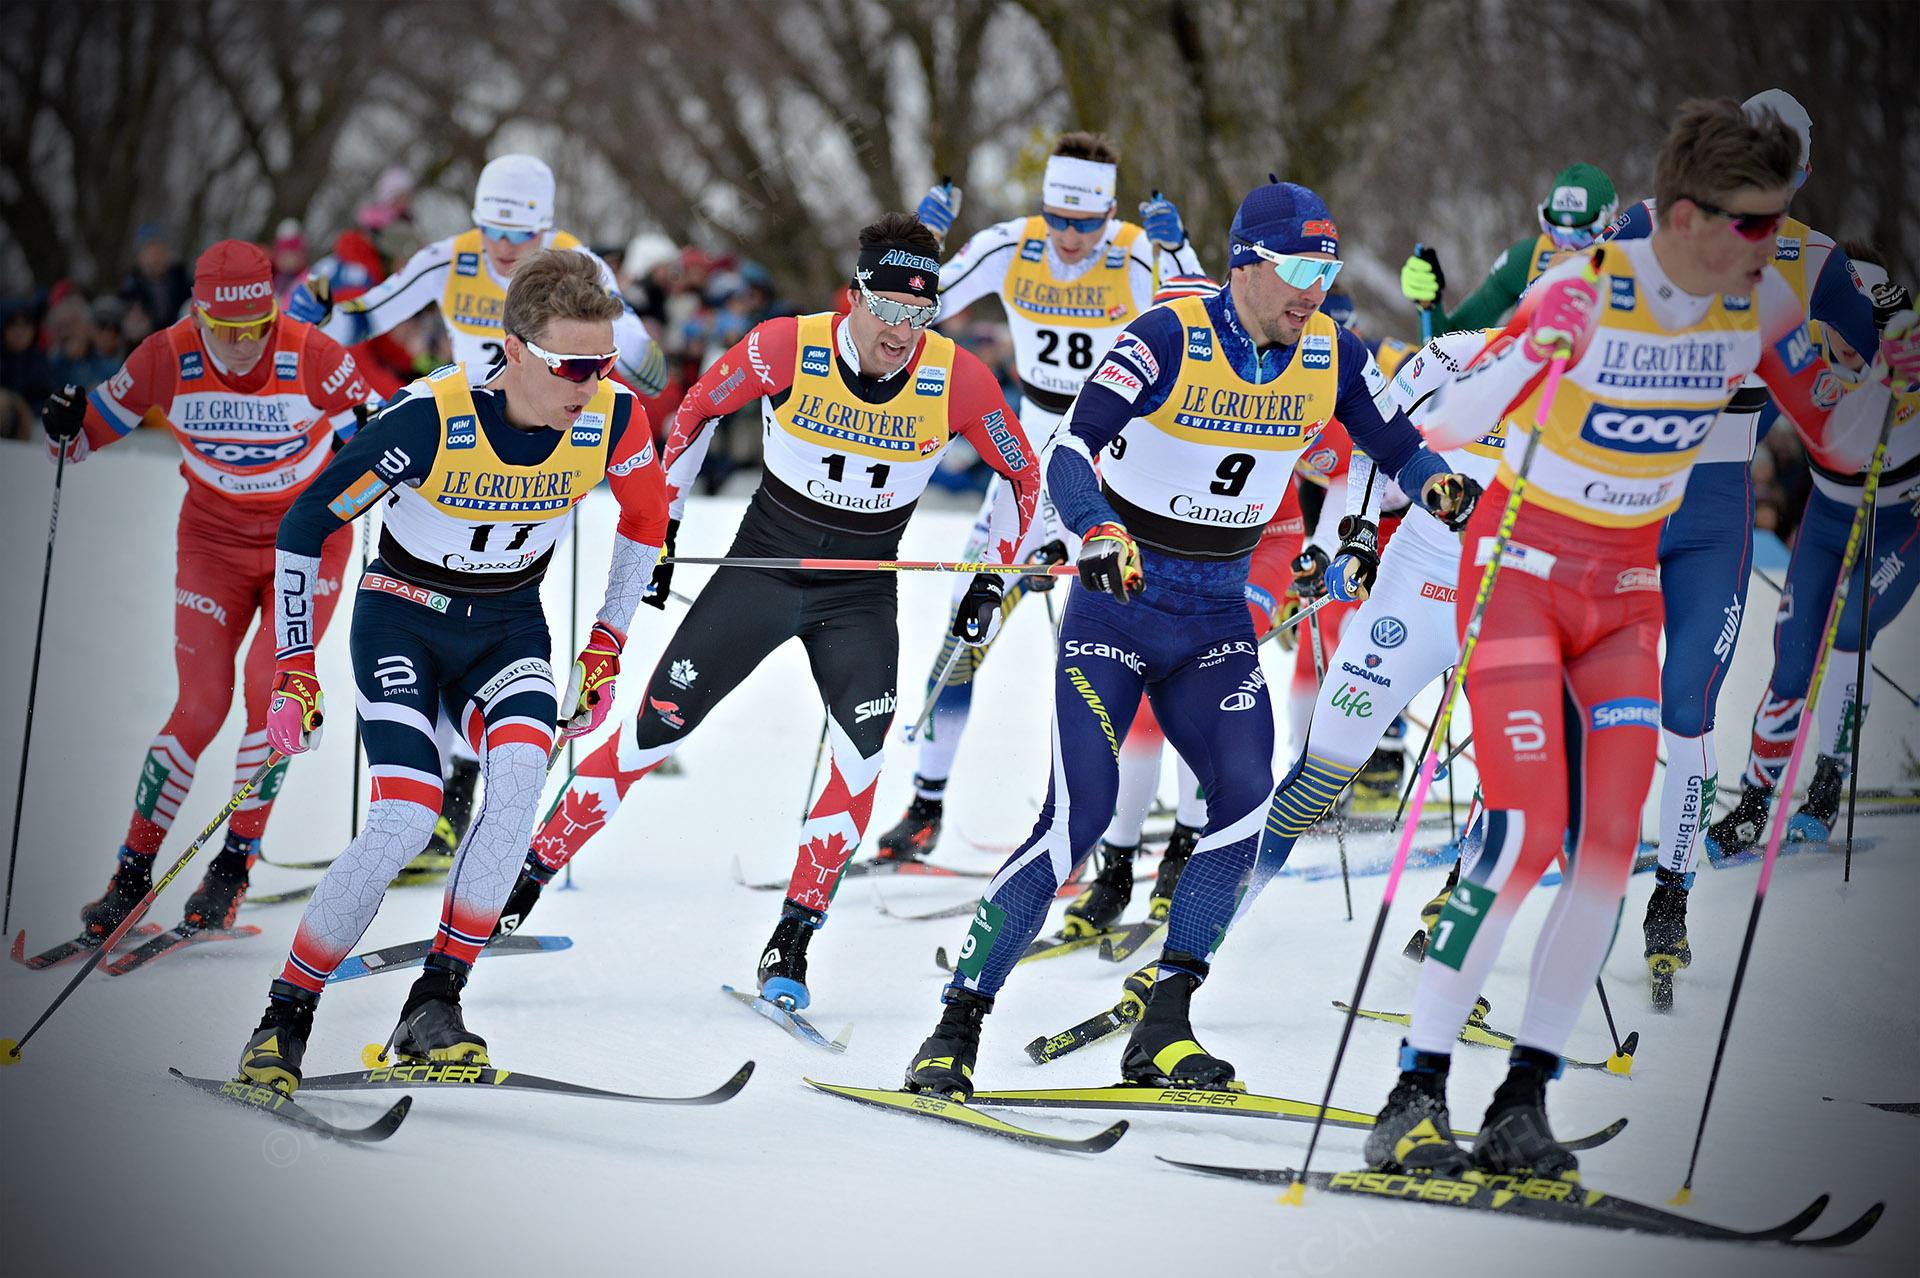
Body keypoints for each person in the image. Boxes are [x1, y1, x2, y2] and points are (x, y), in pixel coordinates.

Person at [1363, 99, 1914, 1181]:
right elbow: (1452, 419)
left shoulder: (1752, 310)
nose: (1770, 252)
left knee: (1608, 854)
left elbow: (1848, 439)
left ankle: (1524, 1099)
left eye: (1779, 228)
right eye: (1753, 228)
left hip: (1624, 594)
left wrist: (1892, 382)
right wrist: (1533, 354)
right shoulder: (1587, 289)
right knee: (1527, 837)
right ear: (1686, 216)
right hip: (1522, 578)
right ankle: (1412, 1094)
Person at [901, 180, 1477, 1099]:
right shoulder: (1166, 336)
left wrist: (1439, 483)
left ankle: (1165, 1025)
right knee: (1075, 824)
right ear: (1244, 261)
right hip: (1122, 602)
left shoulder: (1331, 349)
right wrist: (1093, 528)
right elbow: (1071, 448)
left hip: (1215, 615)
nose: (1312, 287)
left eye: (1325, 269)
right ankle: (954, 1027)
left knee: (1244, 806)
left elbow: (1394, 442)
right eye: (1295, 268)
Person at [496, 213, 1040, 1011]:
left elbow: (1024, 476)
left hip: (859, 592)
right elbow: (691, 416)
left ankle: (793, 940)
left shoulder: (960, 378)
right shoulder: (787, 344)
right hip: (761, 569)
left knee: (861, 756)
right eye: (887, 310)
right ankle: (525, 880)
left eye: (919, 316)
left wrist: (992, 580)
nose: (900, 331)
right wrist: (667, 527)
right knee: (654, 731)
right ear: (854, 295)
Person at [233, 249, 668, 1089]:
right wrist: (294, 666)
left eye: (605, 362)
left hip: (507, 629)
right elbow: (306, 523)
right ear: (512, 351)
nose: (593, 381)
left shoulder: (613, 418)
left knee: (516, 789)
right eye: (573, 365)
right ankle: (283, 1019)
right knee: (405, 817)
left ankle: (435, 1003)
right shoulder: (429, 419)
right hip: (403, 621)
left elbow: (646, 522)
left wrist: (606, 645)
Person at [1587, 91, 1884, 999]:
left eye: (1791, 170)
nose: (1775, 193)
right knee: (1590, 693)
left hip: (1715, 505)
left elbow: (1861, 382)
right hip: (1628, 497)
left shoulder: (1819, 260)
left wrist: (1878, 359)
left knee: (1687, 709)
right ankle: (1491, 865)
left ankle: (1670, 894)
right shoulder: (1647, 221)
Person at [293, 154, 668, 873]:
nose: (503, 246)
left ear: (547, 226)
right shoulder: (448, 259)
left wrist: (628, 359)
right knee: (424, 619)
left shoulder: (575, 269)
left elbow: (640, 362)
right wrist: (312, 323)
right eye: (493, 227)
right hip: (453, 442)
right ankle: (420, 807)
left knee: (497, 633)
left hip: (543, 441)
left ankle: (453, 811)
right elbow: (367, 316)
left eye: (521, 231)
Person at [874, 133, 1208, 901]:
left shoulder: (1135, 253)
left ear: (1112, 216)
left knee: (1119, 650)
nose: (1068, 239)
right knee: (969, 626)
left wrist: (1179, 249)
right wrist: (924, 244)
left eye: (1085, 225)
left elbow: (1207, 321)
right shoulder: (1009, 246)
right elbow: (911, 308)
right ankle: (924, 809)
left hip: (1116, 464)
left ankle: (1101, 824)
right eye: (1058, 217)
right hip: (1027, 464)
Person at [40, 240, 376, 946]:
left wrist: (375, 449)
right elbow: (82, 439)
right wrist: (64, 426)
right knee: (197, 707)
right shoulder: (166, 354)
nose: (236, 346)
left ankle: (230, 869)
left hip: (303, 545)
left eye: (250, 329)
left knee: (272, 695)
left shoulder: (311, 353)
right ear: (198, 316)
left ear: (269, 316)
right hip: (212, 544)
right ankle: (130, 878)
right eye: (220, 329)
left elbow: (379, 448)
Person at [1717, 250, 1916, 849]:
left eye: (1865, 316)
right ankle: (1756, 799)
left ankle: (1829, 782)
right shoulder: (1800, 355)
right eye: (1836, 314)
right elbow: (1744, 418)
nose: (1848, 335)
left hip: (1902, 522)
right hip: (1829, 519)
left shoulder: (1906, 354)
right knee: (1794, 660)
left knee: (1850, 629)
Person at [1401, 163, 1617, 335]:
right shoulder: (1527, 259)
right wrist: (1428, 305)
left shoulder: (1636, 260)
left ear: (1612, 224)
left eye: (1581, 235)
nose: (1566, 247)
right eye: (1555, 233)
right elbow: (1449, 340)